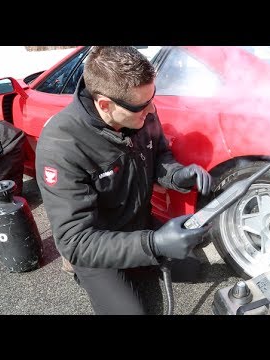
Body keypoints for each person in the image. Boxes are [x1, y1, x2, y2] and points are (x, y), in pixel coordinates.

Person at [35, 46, 212, 315]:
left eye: (152, 97)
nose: (152, 108)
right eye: (142, 105)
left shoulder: (138, 108)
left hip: (138, 224)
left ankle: (141, 259)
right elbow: (76, 240)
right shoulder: (62, 146)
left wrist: (177, 175)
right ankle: (83, 274)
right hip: (97, 247)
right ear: (105, 104)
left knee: (194, 268)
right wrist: (154, 245)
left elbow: (159, 154)